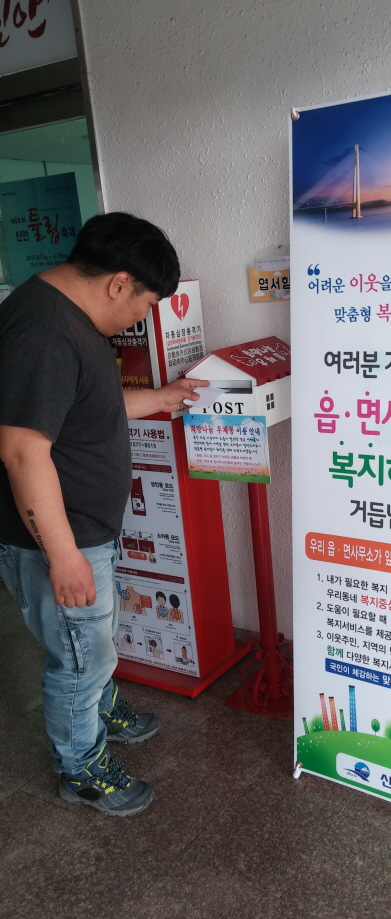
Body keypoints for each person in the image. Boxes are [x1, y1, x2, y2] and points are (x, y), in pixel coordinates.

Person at [0, 212, 208, 817]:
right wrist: (63, 554)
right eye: (145, 305)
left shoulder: (67, 318)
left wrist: (162, 398)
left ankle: (98, 705)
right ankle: (82, 769)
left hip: (83, 529)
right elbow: (22, 450)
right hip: (57, 538)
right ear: (119, 282)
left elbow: (83, 403)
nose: (141, 318)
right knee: (78, 658)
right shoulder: (46, 331)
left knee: (90, 646)